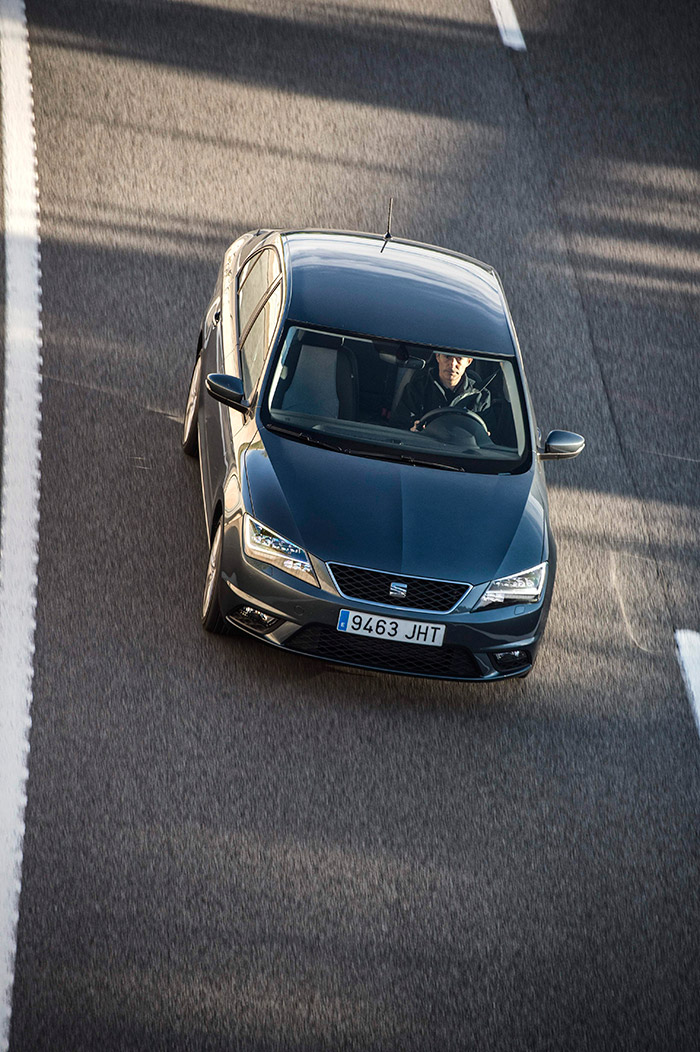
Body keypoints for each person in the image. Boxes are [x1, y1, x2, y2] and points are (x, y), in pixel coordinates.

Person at [391, 351, 491, 432]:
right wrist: (412, 431)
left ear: (469, 362)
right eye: (447, 357)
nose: (452, 364)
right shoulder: (416, 389)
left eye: (459, 359)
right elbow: (398, 428)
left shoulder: (481, 396)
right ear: (437, 357)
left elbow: (490, 439)